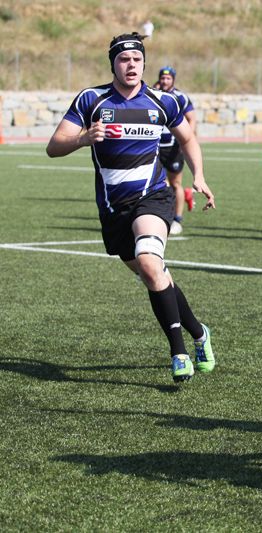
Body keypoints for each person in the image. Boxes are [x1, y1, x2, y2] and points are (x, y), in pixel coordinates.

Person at [45, 32, 216, 383]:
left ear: (144, 63)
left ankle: (179, 352)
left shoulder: (161, 101)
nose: (131, 65)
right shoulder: (91, 100)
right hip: (113, 210)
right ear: (113, 64)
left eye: (137, 60)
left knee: (152, 266)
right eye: (124, 60)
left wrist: (198, 174)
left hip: (153, 198)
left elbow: (188, 138)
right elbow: (54, 146)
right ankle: (200, 333)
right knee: (156, 277)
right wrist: (83, 138)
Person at [156, 66, 196, 235]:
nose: (165, 81)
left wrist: (186, 139)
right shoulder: (153, 94)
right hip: (155, 147)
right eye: (163, 78)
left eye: (168, 79)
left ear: (173, 80)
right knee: (159, 184)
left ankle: (177, 219)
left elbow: (192, 118)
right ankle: (163, 216)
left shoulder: (180, 97)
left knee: (175, 184)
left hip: (173, 148)